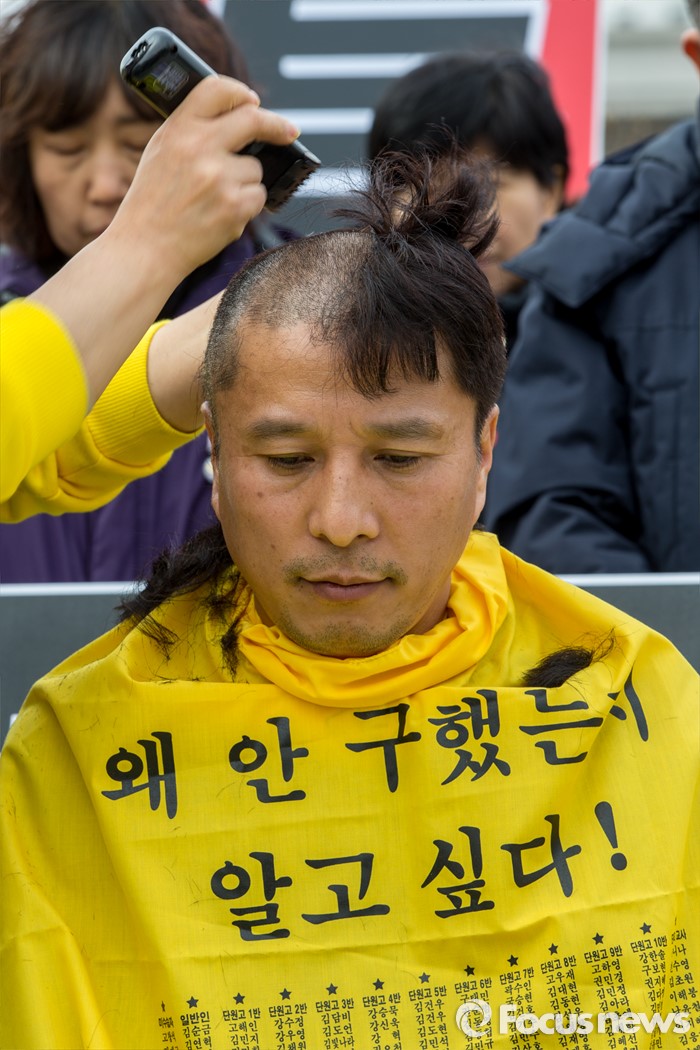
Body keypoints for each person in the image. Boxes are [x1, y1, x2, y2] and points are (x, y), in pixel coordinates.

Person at [1, 147, 696, 1050]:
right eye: (286, 459)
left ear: (485, 452)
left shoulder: (637, 703)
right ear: (214, 453)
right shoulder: (75, 750)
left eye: (400, 459)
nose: (339, 522)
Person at [0, 0, 297, 582]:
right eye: (67, 150)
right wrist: (149, 242)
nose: (105, 185)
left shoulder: (308, 313)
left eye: (141, 147)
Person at [483, 2, 700, 573]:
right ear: (696, 56)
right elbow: (551, 511)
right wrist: (668, 628)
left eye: (495, 179)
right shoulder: (599, 258)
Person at [367, 51, 569, 348]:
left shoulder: (613, 334)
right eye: (427, 190)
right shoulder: (332, 334)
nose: (462, 220)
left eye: (488, 185)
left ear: (550, 192)